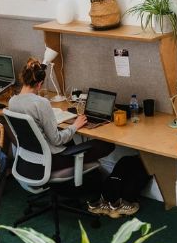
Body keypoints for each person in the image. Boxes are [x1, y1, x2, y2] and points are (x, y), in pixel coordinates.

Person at [7, 58, 133, 218]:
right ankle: (96, 189)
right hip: (53, 160)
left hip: (31, 159)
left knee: (74, 141)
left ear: (23, 79)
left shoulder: (12, 102)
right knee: (106, 145)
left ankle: (89, 185)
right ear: (39, 84)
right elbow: (57, 140)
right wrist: (76, 125)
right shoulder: (41, 103)